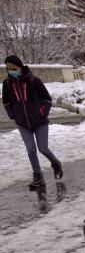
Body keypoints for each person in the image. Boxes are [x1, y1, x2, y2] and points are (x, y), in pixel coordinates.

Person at [2, 55, 63, 189]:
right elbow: (6, 102)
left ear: (20, 67)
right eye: (9, 68)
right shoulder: (7, 84)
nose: (11, 70)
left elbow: (47, 99)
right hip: (22, 123)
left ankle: (56, 164)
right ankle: (37, 177)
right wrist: (13, 115)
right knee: (30, 149)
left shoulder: (34, 81)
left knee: (43, 148)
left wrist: (42, 112)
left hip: (39, 121)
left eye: (14, 68)